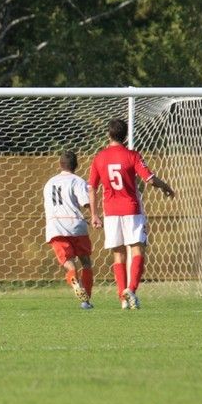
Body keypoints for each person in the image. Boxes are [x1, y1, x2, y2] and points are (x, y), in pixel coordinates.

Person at [88, 118, 175, 309]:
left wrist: (94, 215)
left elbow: (92, 188)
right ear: (126, 136)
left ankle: (123, 299)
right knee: (137, 249)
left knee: (118, 255)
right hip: (131, 209)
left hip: (110, 212)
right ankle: (131, 290)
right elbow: (150, 179)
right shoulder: (132, 155)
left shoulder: (99, 157)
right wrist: (166, 187)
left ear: (108, 135)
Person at [43, 151, 94, 309]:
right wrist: (95, 215)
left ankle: (75, 283)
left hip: (56, 226)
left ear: (60, 165)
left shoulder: (49, 183)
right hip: (76, 225)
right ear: (76, 165)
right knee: (86, 262)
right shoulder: (77, 181)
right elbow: (86, 203)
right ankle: (86, 301)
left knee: (69, 263)